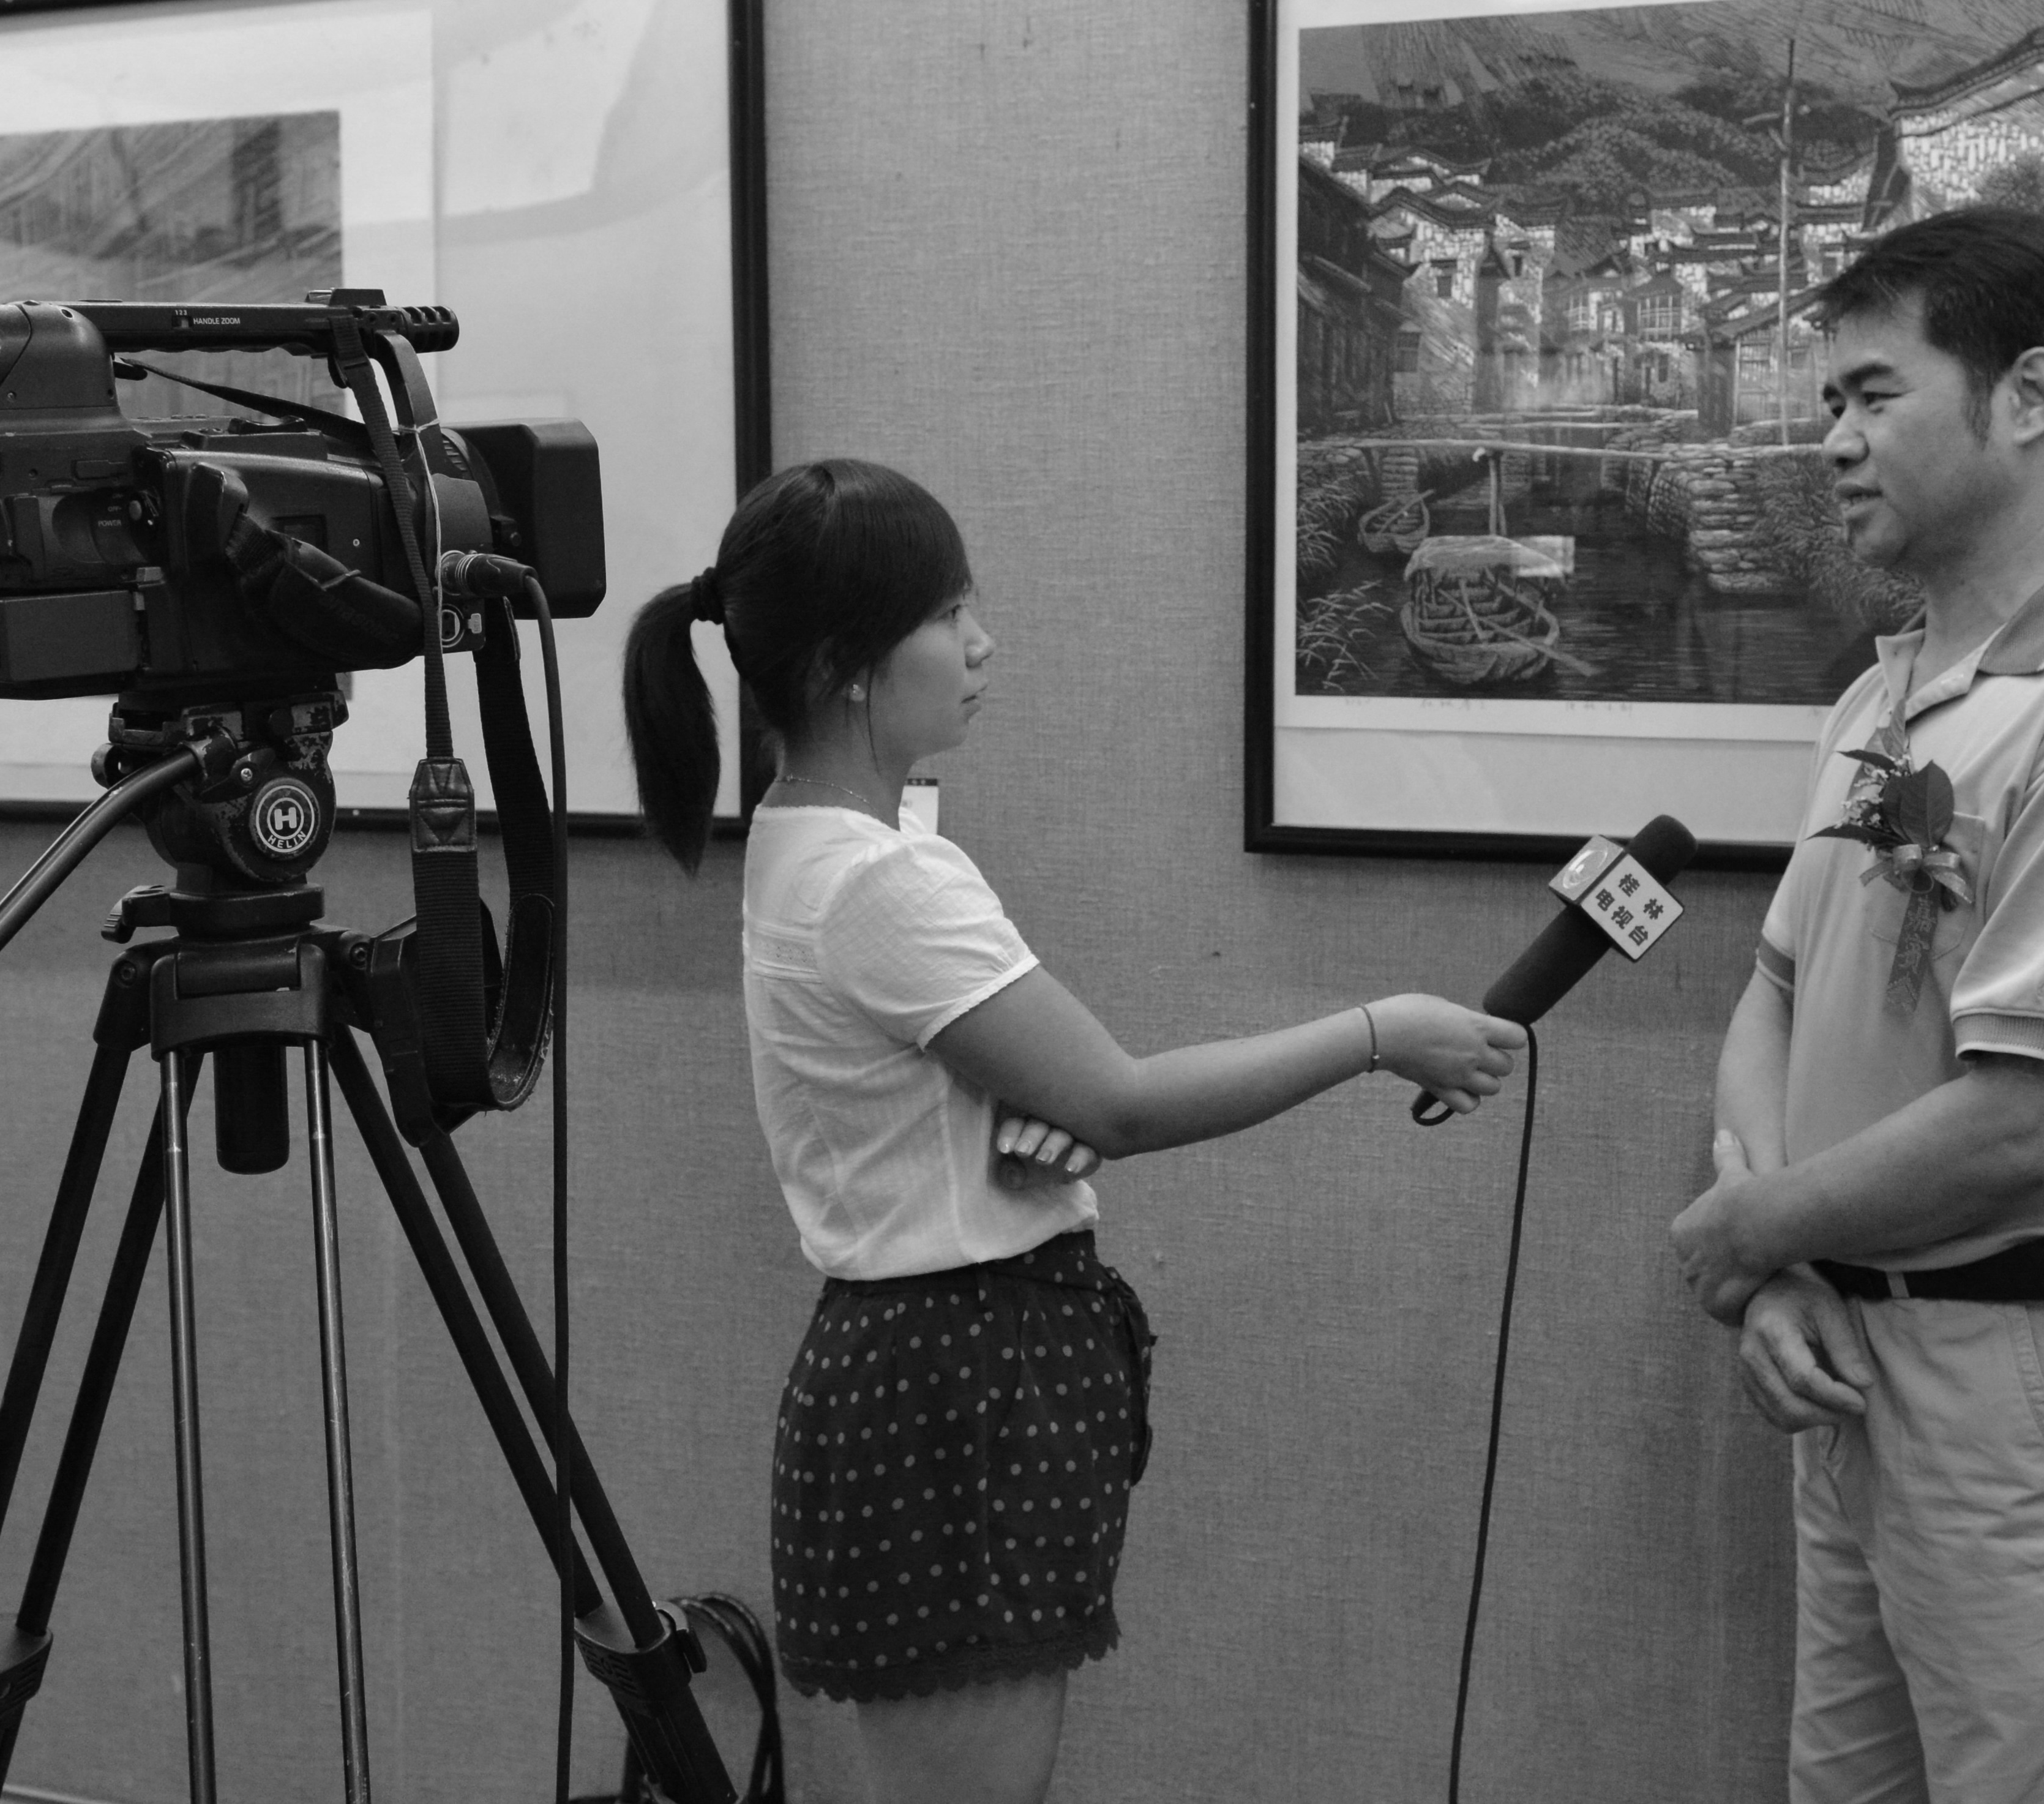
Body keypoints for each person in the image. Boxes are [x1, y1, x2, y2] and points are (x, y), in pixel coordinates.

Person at [620, 458, 1522, 1803]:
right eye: (947, 614)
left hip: (931, 1374)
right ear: (847, 666)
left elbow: (986, 1093)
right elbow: (1119, 1101)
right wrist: (1379, 1030)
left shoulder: (810, 840)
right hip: (956, 1385)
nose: (982, 643)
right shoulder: (880, 877)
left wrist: (1005, 1119)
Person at [1667, 207, 2044, 1804]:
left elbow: (2030, 1119)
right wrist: (1779, 1255)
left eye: (1873, 395)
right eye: (1828, 404)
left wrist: (1746, 1229)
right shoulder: (1884, 693)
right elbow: (1774, 996)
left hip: (2036, 1376)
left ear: (2026, 397)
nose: (1831, 441)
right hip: (1851, 1350)